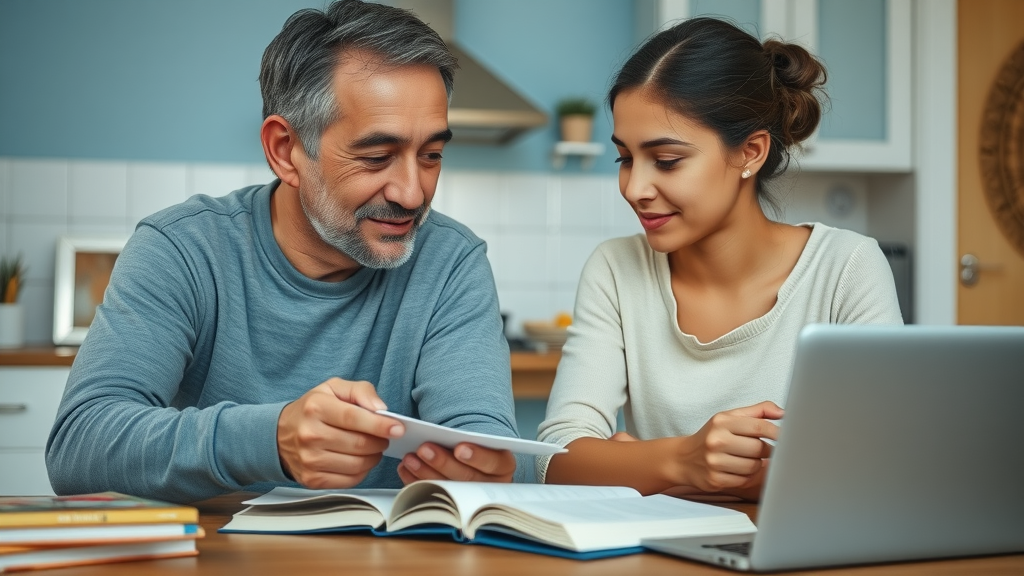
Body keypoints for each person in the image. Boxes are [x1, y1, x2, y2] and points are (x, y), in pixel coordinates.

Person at [47, 0, 526, 504]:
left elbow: (483, 438)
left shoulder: (451, 262)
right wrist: (270, 438)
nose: (412, 193)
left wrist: (484, 471)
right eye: (376, 157)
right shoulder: (184, 248)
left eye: (431, 156)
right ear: (285, 150)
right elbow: (79, 449)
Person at [537, 17, 903, 501]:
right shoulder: (617, 269)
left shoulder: (847, 268)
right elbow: (555, 458)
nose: (634, 189)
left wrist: (638, 463)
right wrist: (684, 458)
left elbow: (884, 463)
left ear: (750, 152)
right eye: (624, 158)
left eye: (666, 161)